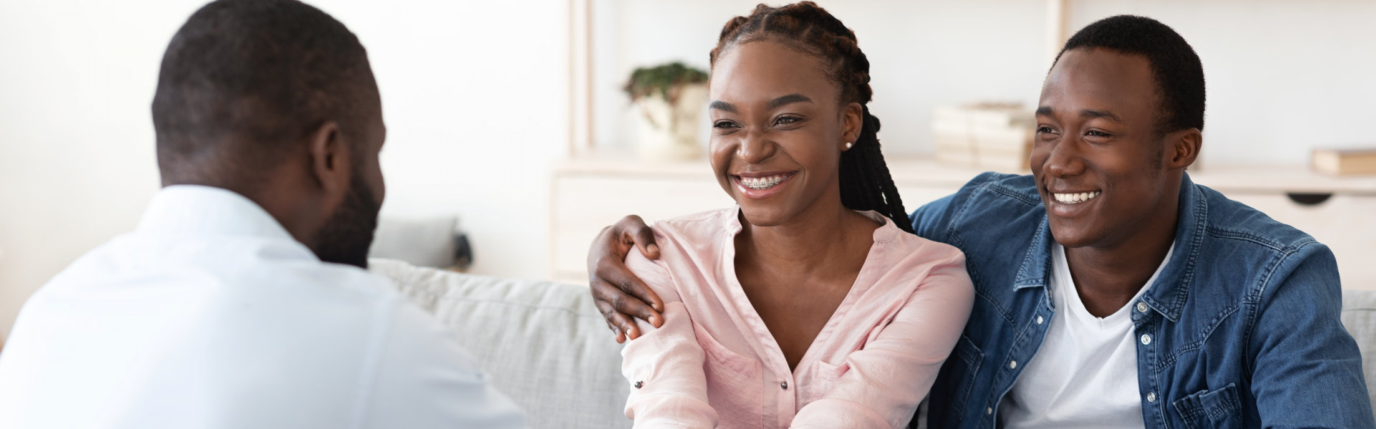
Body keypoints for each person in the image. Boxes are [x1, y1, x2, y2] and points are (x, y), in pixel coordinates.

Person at [589, 14, 1375, 429]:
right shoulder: (981, 225)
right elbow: (854, 250)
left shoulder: (1274, 278)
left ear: (1182, 150)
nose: (1058, 163)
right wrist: (619, 250)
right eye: (1045, 128)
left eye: (1097, 133)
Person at [0, 1, 524, 428]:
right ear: (331, 157)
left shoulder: (47, 316)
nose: (381, 185)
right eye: (375, 154)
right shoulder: (371, 333)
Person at [614, 3, 974, 428]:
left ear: (848, 125)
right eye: (727, 124)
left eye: (785, 119)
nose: (750, 151)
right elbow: (668, 413)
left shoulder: (925, 281)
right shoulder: (665, 262)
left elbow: (851, 418)